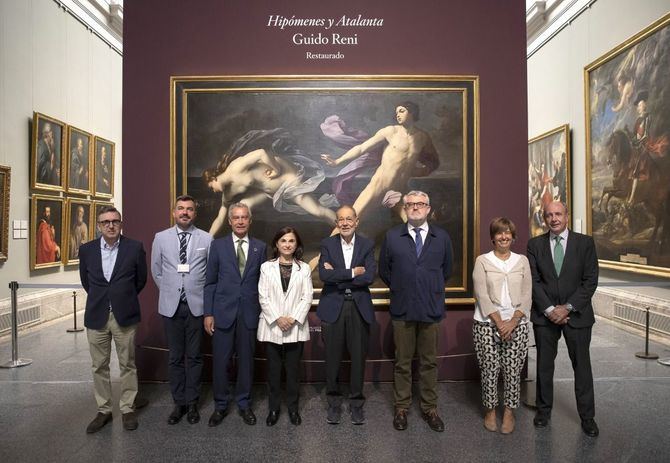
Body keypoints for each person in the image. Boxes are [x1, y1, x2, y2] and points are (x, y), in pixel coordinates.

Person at [379, 190, 453, 432]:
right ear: (405, 208)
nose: (415, 207)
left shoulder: (441, 237)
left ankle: (430, 408)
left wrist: (427, 287)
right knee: (402, 362)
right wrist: (403, 287)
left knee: (429, 362)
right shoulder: (392, 237)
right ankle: (401, 407)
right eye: (410, 204)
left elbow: (446, 271)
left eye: (420, 204)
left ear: (428, 208)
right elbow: (385, 271)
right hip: (403, 308)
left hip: (431, 308)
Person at [527, 201, 599, 437]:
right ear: (544, 219)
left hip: (577, 316)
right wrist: (549, 309)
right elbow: (534, 281)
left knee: (582, 367)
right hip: (544, 317)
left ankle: (587, 417)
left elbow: (590, 281)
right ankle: (543, 412)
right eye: (549, 215)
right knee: (544, 367)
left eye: (558, 214)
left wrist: (567, 308)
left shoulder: (585, 243)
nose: (554, 218)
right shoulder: (534, 245)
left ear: (567, 216)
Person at [78, 206, 147, 433]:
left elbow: (140, 281)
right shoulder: (86, 250)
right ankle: (104, 410)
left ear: (121, 223)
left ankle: (127, 408)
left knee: (127, 364)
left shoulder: (134, 248)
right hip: (96, 315)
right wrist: (105, 298)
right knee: (99, 366)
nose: (110, 225)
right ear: (99, 225)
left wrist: (121, 297)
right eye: (105, 222)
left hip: (124, 315)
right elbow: (87, 282)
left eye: (115, 221)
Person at [203, 128, 336, 236]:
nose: (213, 190)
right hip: (277, 192)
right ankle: (244, 242)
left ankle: (346, 229)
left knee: (317, 211)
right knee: (243, 205)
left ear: (213, 178)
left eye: (211, 187)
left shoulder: (235, 168)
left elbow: (261, 152)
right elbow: (220, 218)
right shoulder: (228, 193)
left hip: (288, 176)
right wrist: (208, 239)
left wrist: (275, 169)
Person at [321, 102, 439, 223]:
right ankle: (332, 242)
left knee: (414, 224)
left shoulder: (423, 137)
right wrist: (337, 161)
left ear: (412, 112)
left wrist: (418, 171)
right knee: (351, 221)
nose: (398, 114)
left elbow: (434, 162)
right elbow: (361, 148)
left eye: (402, 111)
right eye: (397, 112)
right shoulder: (391, 131)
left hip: (399, 189)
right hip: (379, 186)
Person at [151, 195, 213, 425]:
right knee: (175, 357)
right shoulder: (161, 238)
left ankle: (193, 402)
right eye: (180, 209)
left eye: (189, 209)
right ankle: (179, 403)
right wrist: (172, 291)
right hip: (171, 308)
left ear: (195, 213)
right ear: (173, 212)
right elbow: (156, 271)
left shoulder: (206, 239)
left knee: (195, 357)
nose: (185, 212)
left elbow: (210, 275)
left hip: (197, 307)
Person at [204, 202, 267, 426]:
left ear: (250, 221)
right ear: (230, 221)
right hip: (222, 313)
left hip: (249, 313)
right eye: (236, 218)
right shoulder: (218, 246)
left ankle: (244, 404)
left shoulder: (261, 247)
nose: (240, 221)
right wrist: (208, 313)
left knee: (246, 362)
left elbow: (264, 283)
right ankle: (220, 405)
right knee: (220, 362)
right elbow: (210, 282)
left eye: (244, 217)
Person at [317, 205, 376, 425]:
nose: (344, 223)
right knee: (332, 359)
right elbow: (324, 275)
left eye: (348, 219)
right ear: (336, 223)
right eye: (340, 219)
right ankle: (333, 404)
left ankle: (356, 404)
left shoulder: (367, 244)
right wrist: (352, 272)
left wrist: (338, 276)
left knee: (358, 359)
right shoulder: (327, 244)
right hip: (334, 307)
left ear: (356, 221)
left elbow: (369, 276)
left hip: (358, 307)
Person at [472, 217, 531, 434]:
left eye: (507, 233)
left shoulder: (522, 261)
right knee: (489, 369)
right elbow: (481, 294)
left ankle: (508, 412)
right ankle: (490, 410)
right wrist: (499, 323)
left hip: (518, 324)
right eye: (499, 233)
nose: (503, 236)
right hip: (486, 324)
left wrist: (513, 321)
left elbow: (527, 294)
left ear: (513, 237)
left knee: (513, 371)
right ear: (492, 237)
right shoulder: (482, 261)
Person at [257, 227, 312, 426]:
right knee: (273, 372)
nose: (287, 244)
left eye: (291, 241)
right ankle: (273, 409)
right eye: (283, 241)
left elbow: (307, 298)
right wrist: (278, 318)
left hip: (295, 327)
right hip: (272, 326)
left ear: (296, 244)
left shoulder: (304, 268)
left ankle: (293, 409)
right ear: (276, 244)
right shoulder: (266, 267)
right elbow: (263, 297)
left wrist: (292, 318)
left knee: (292, 372)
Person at [36, 122, 61, 186]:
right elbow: (41, 164)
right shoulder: (41, 144)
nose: (51, 133)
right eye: (50, 132)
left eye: (51, 131)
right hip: (44, 178)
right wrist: (51, 166)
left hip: (49, 177)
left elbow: (53, 163)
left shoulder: (50, 145)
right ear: (46, 133)